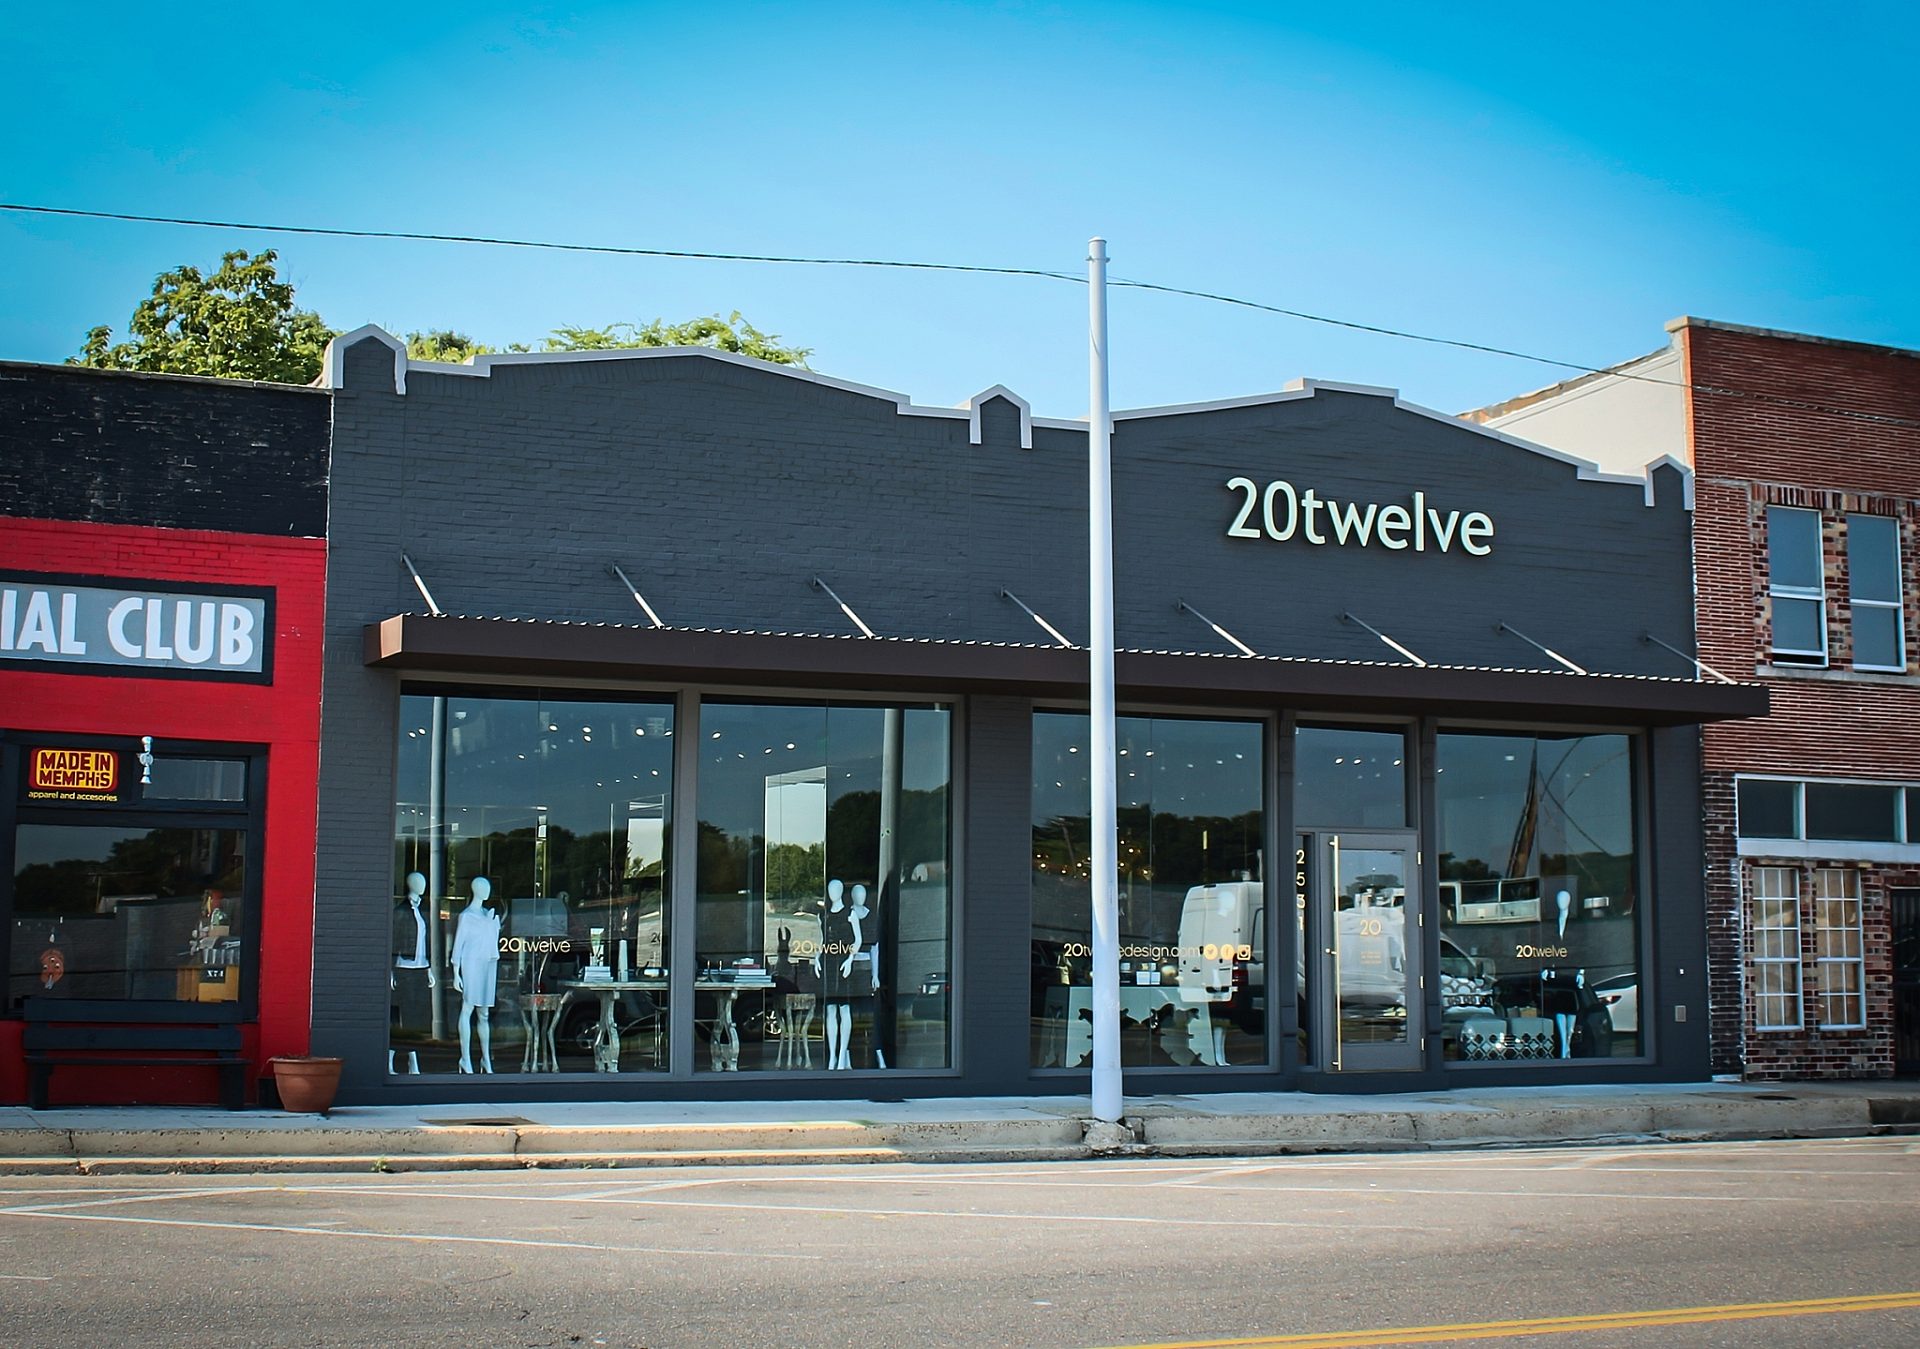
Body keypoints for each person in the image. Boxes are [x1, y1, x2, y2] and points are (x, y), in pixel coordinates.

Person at [450, 877, 502, 1073]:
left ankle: (486, 1059)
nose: (486, 890)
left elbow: (492, 941)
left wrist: (492, 923)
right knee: (468, 1007)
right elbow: (458, 944)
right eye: (483, 887)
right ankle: (465, 1058)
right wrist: (456, 972)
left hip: (488, 964)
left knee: (484, 1013)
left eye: (488, 887)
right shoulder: (467, 916)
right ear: (475, 890)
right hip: (471, 963)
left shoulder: (487, 914)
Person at [815, 879, 864, 1071]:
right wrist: (817, 958)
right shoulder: (823, 915)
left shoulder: (850, 914)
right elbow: (821, 939)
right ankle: (832, 1056)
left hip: (843, 963)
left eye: (836, 889)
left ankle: (843, 1054)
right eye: (829, 890)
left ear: (841, 891)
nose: (832, 893)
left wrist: (850, 959)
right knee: (830, 1010)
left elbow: (857, 939)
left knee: (844, 1008)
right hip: (828, 962)